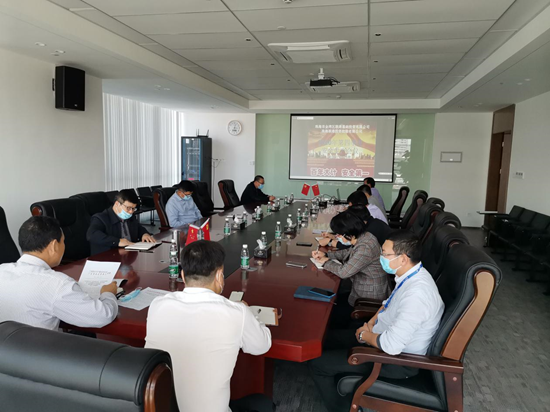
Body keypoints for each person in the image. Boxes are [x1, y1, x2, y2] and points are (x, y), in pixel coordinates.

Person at [309, 231, 444, 412]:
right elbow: (387, 304)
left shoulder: (417, 295)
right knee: (324, 339)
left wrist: (364, 335)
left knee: (318, 364)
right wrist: (371, 324)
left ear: (403, 258)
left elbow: (391, 346)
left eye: (385, 254)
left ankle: (340, 409)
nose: (381, 257)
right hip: (380, 335)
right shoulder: (412, 274)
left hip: (396, 360)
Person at [145, 240, 273, 412]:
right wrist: (249, 313)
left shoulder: (158, 304)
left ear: (182, 275)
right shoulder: (237, 313)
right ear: (219, 275)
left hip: (158, 407)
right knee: (263, 404)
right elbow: (262, 346)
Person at [0, 216, 118, 330]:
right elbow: (103, 316)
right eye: (63, 241)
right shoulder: (58, 284)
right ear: (54, 246)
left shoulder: (2, 269)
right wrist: (108, 293)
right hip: (42, 344)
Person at [312, 211, 391, 326]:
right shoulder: (364, 236)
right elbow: (348, 253)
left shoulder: (365, 247)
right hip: (360, 289)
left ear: (348, 234)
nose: (337, 237)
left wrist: (326, 262)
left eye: (339, 234)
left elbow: (344, 272)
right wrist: (327, 255)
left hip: (367, 298)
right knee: (331, 300)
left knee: (327, 313)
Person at [87, 189, 155, 255]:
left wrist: (144, 234)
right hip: (109, 257)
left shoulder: (130, 216)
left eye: (133, 208)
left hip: (129, 255)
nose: (131, 211)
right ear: (117, 204)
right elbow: (91, 235)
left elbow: (138, 227)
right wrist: (117, 241)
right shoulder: (100, 218)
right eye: (128, 208)